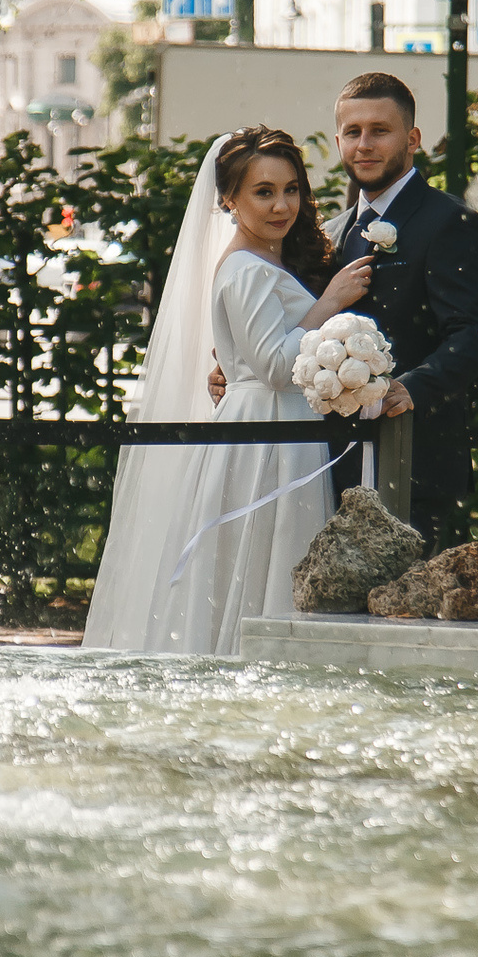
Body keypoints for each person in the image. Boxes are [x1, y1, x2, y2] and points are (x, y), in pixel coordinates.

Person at [83, 127, 377, 655]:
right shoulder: (246, 269)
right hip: (266, 432)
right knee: (265, 550)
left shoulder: (267, 260)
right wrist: (330, 304)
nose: (282, 205)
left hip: (277, 422)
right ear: (229, 199)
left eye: (291, 189)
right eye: (263, 192)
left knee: (267, 555)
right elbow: (274, 365)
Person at [316, 71, 478, 546]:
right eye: (352, 133)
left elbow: (474, 334)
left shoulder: (449, 221)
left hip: (419, 462)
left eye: (380, 130)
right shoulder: (331, 235)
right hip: (329, 465)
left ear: (412, 139)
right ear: (338, 141)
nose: (364, 144)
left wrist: (412, 388)